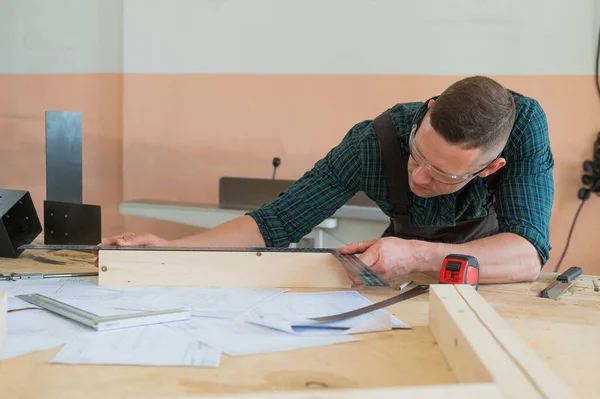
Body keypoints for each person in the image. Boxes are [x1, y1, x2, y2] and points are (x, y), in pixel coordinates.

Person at [100, 76, 554, 285]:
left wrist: (415, 253)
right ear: (428, 111)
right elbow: (274, 224)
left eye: (441, 174)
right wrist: (171, 250)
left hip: (488, 295)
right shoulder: (374, 141)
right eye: (417, 156)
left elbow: (527, 255)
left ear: (489, 169)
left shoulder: (524, 130)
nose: (418, 176)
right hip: (401, 296)